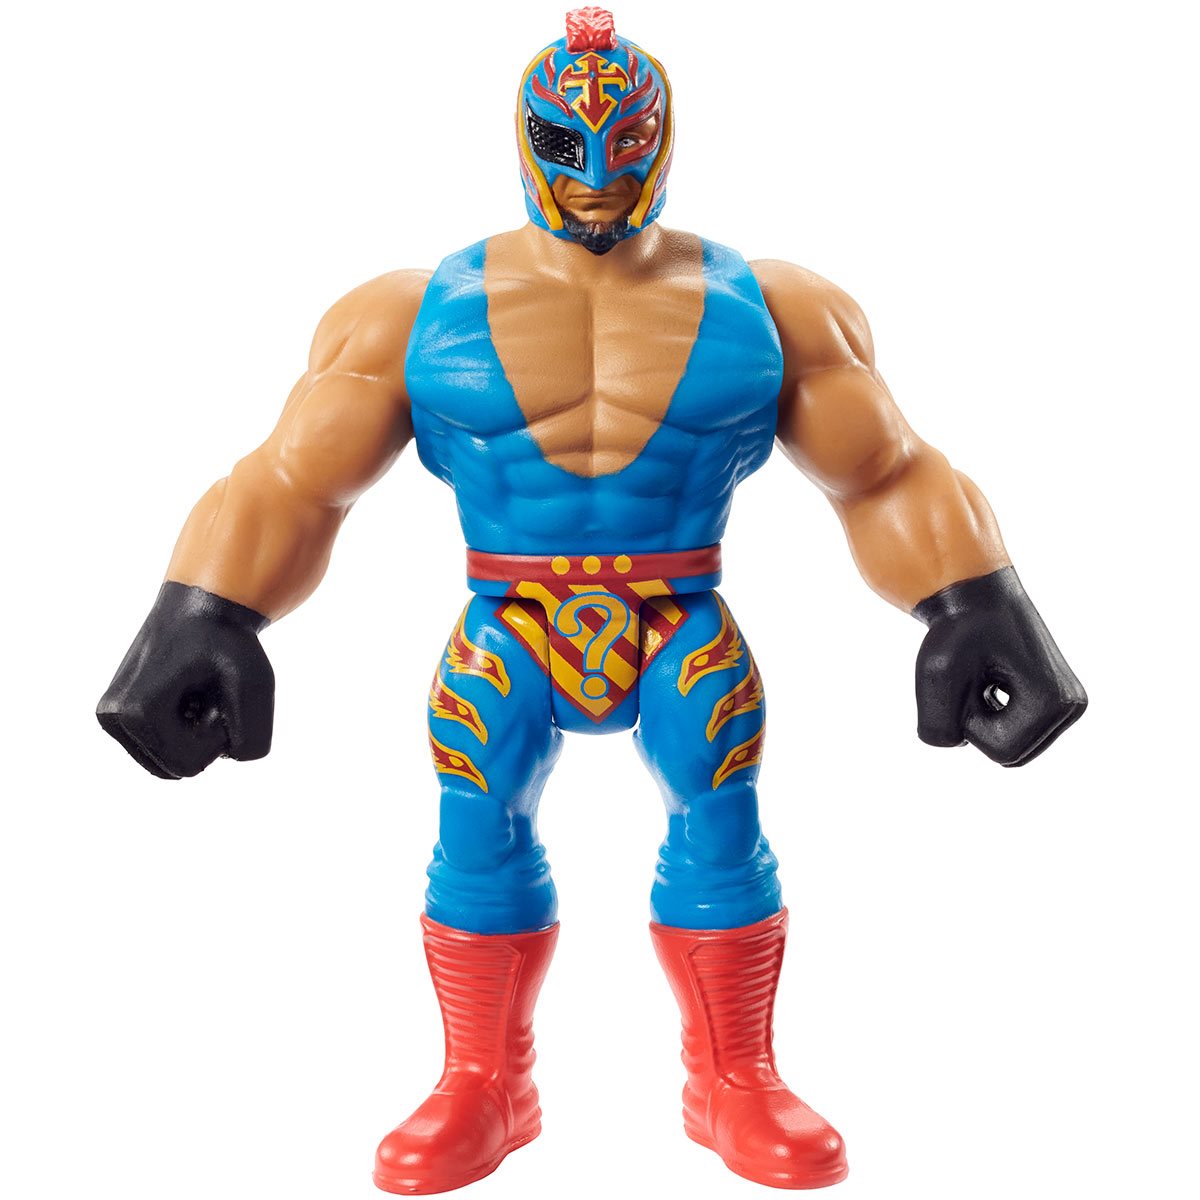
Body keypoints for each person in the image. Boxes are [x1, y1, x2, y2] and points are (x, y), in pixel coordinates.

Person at [97, 7, 1086, 1193]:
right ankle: (485, 1084)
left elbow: (886, 473)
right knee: (476, 831)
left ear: (666, 137)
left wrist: (975, 605)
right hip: (508, 622)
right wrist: (204, 615)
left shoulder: (769, 305)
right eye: (568, 145)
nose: (601, 176)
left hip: (680, 616)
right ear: (524, 138)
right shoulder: (416, 313)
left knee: (722, 827)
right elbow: (291, 482)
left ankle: (733, 1081)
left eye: (629, 144)